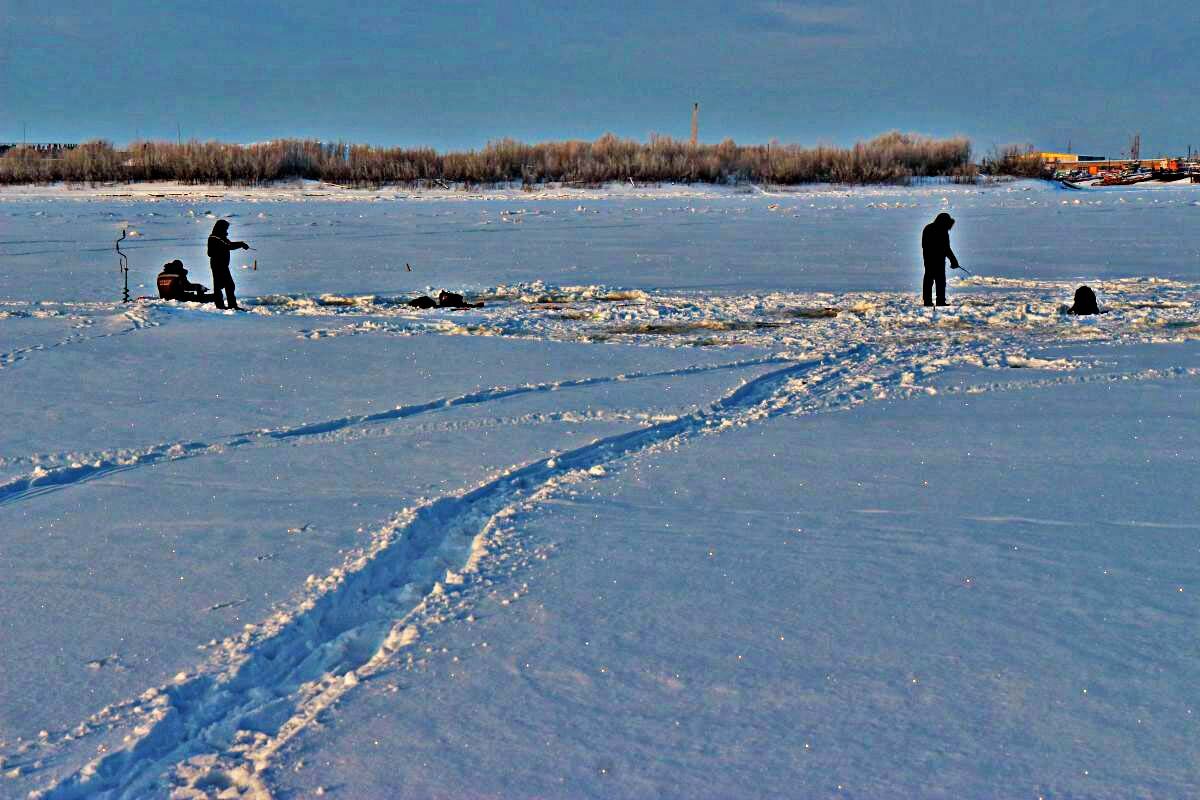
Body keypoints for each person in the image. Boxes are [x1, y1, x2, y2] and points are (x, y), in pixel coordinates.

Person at [920, 212, 962, 307]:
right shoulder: (942, 231)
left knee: (929, 279)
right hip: (937, 259)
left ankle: (928, 301)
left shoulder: (928, 228)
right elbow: (946, 248)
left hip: (928, 259)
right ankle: (940, 301)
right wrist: (953, 260)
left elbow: (925, 245)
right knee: (940, 280)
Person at [207, 220, 250, 310]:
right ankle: (224, 305)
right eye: (225, 228)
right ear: (221, 228)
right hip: (218, 265)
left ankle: (227, 305)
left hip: (222, 265)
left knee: (225, 285)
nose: (227, 229)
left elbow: (228, 244)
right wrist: (241, 244)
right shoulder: (215, 238)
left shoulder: (220, 237)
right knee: (226, 285)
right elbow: (228, 246)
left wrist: (240, 244)